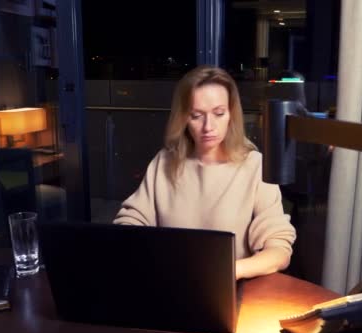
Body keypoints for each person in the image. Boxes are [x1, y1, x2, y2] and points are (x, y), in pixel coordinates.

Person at [113, 65, 296, 280]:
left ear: (231, 115)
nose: (208, 126)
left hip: (229, 288)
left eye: (219, 113)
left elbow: (279, 251)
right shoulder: (165, 162)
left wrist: (223, 272)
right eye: (196, 115)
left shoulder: (255, 166)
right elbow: (128, 226)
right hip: (169, 283)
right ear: (183, 118)